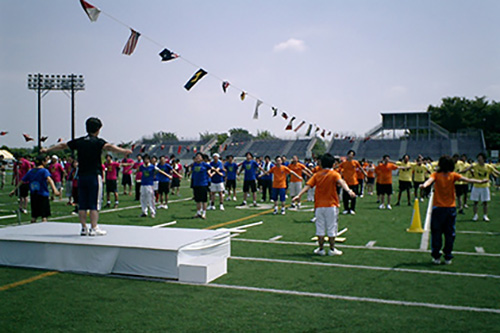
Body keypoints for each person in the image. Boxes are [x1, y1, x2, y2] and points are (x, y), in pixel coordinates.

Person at [42, 117, 132, 236]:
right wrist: (123, 150)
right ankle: (94, 227)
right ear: (98, 129)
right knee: (94, 203)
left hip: (82, 176)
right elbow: (109, 147)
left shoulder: (80, 141)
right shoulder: (98, 142)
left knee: (82, 203)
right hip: (94, 175)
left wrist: (48, 150)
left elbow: (63, 145)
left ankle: (84, 227)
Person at [420, 155, 487, 264]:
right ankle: (448, 256)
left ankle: (436, 256)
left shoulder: (436, 175)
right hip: (450, 209)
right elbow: (468, 180)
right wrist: (480, 182)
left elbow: (429, 181)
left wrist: (424, 185)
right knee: (449, 233)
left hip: (438, 209)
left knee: (437, 233)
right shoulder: (453, 175)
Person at [293, 153, 355, 256]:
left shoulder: (317, 175)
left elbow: (308, 185)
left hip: (319, 206)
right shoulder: (334, 174)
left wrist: (299, 195)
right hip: (331, 205)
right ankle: (332, 249)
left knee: (320, 228)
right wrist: (349, 191)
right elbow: (342, 182)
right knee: (331, 228)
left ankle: (321, 249)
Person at [10, 154, 59, 223]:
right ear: (43, 162)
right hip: (43, 195)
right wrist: (55, 190)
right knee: (44, 216)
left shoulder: (31, 171)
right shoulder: (44, 171)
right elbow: (50, 180)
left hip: (34, 195)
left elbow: (22, 181)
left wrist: (14, 190)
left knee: (34, 216)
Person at [464, 153, 500, 222]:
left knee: (485, 202)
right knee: (475, 202)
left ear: (483, 159)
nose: (479, 159)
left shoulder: (488, 166)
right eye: (478, 158)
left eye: (480, 158)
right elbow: (467, 169)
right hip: (476, 186)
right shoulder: (474, 165)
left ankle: (485, 215)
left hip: (485, 186)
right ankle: (475, 215)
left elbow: (496, 172)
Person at [191, 152, 223, 219]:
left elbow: (212, 168)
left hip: (203, 184)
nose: (197, 158)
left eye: (199, 157)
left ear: (202, 158)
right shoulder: (194, 165)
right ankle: (198, 212)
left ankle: (204, 213)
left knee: (203, 200)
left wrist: (218, 173)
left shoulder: (205, 165)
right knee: (197, 200)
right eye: (196, 157)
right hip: (196, 184)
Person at [337, 150, 366, 215]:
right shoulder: (344, 163)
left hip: (354, 182)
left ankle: (352, 209)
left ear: (353, 156)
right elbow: (338, 167)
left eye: (352, 154)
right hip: (346, 182)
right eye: (349, 154)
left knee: (353, 196)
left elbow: (360, 168)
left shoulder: (355, 162)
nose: (350, 155)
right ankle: (346, 209)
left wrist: (365, 174)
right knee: (345, 196)